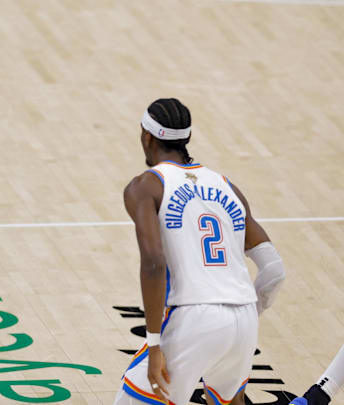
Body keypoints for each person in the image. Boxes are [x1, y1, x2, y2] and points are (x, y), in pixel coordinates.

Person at [113, 98, 286, 405]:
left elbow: (154, 263)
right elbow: (274, 269)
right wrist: (240, 313)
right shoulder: (227, 187)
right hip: (243, 318)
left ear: (147, 136)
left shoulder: (145, 187)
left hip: (193, 316)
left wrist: (155, 345)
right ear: (187, 139)